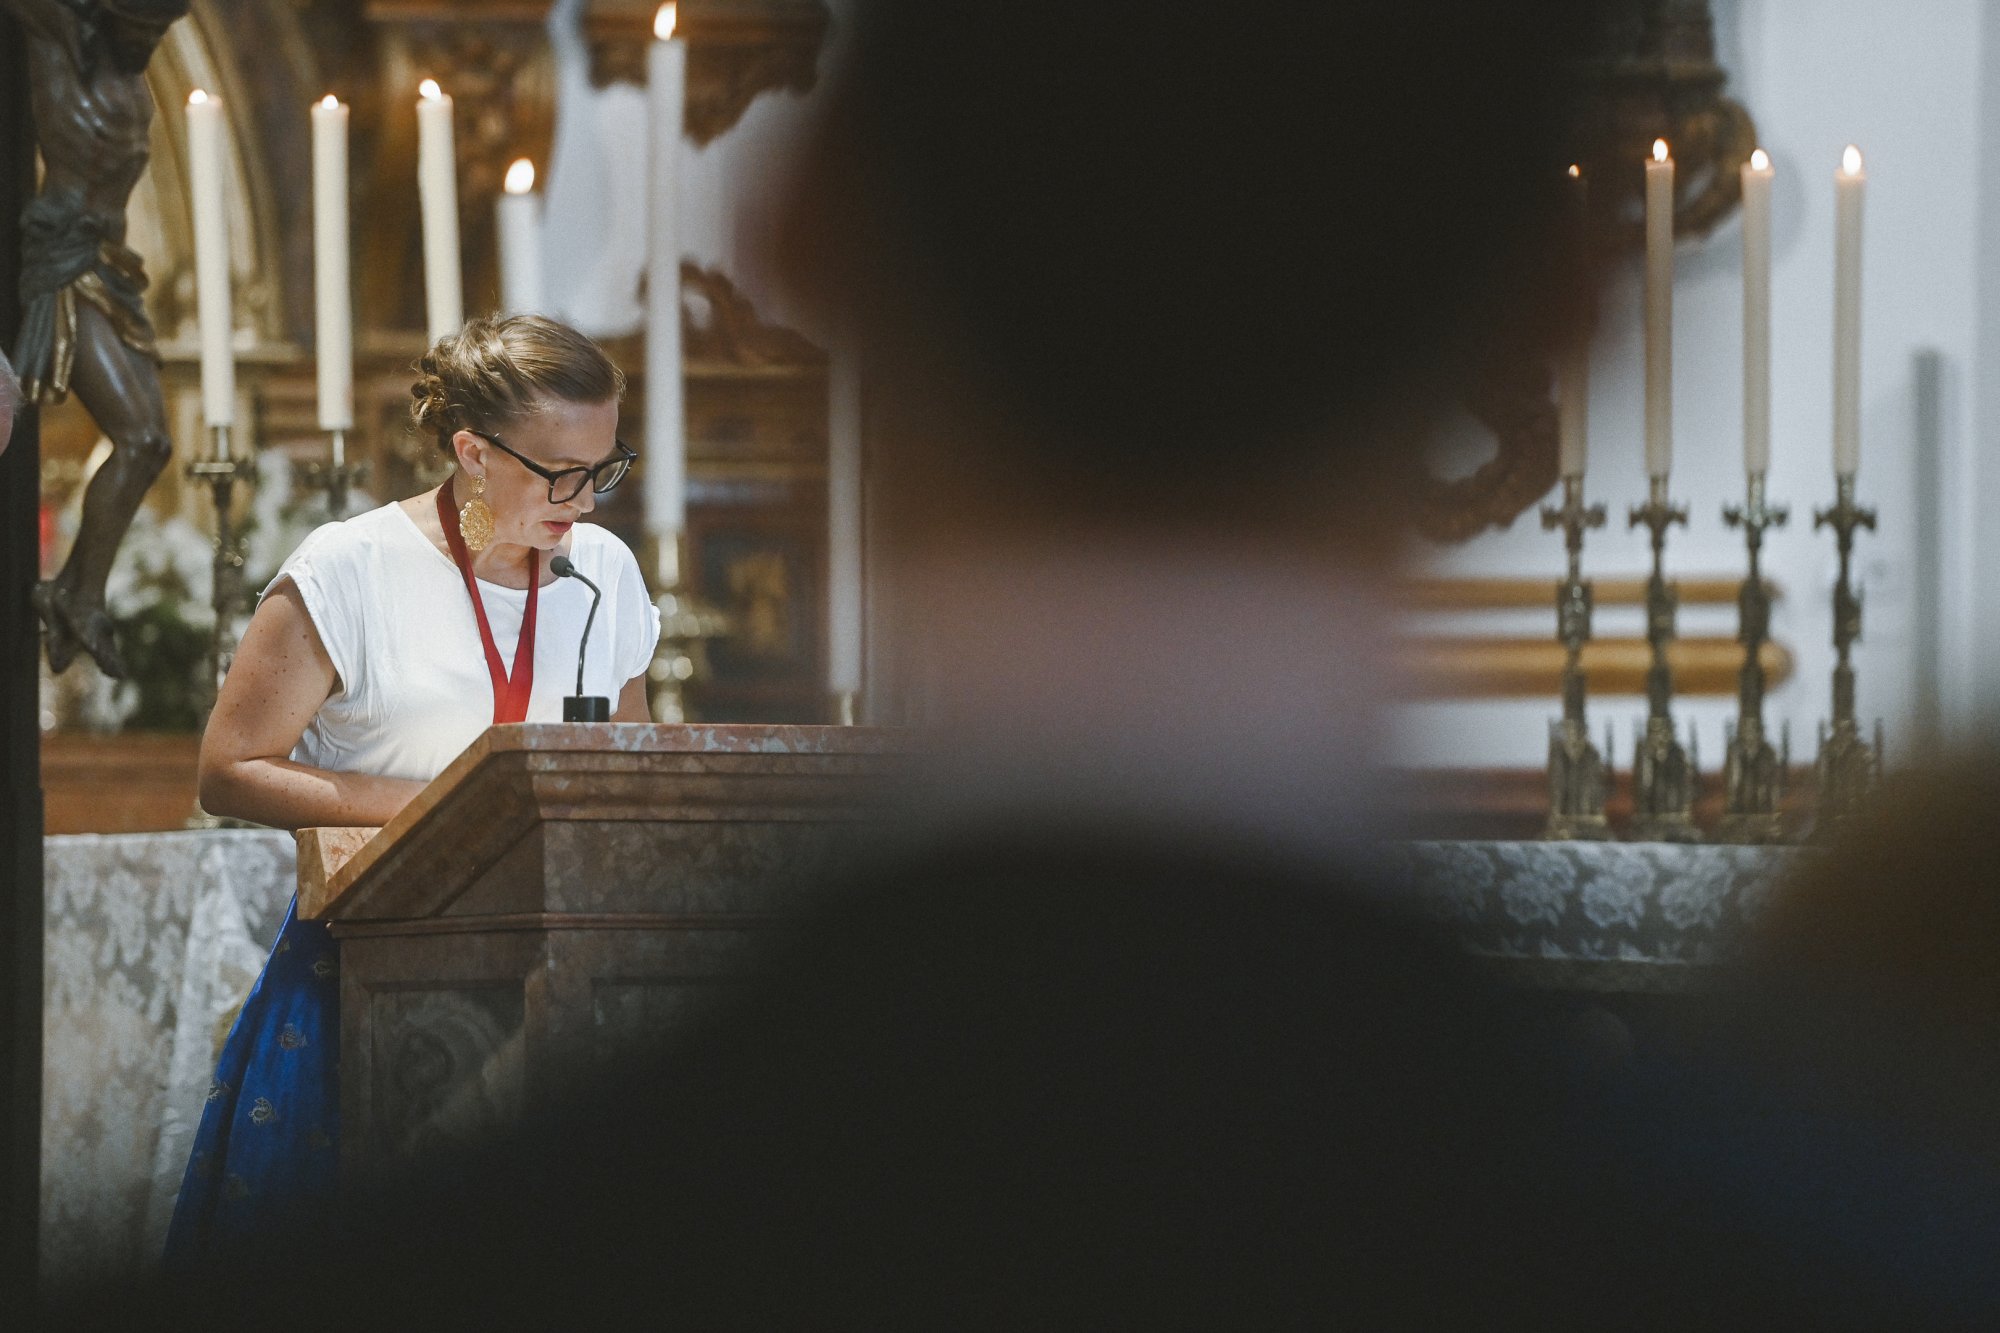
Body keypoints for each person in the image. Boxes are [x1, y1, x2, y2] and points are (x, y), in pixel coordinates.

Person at [162, 314, 659, 1261]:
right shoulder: (350, 568)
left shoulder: (606, 571)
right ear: (473, 452)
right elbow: (229, 770)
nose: (587, 500)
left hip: (567, 974)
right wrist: (453, 804)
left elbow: (631, 770)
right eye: (561, 473)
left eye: (605, 468)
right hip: (371, 965)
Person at [4, 0, 186, 677]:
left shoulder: (130, 79)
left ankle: (79, 591)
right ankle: (79, 597)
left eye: (158, 32)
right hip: (65, 271)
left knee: (154, 444)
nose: (148, 42)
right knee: (138, 437)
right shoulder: (63, 55)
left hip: (109, 270)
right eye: (139, 28)